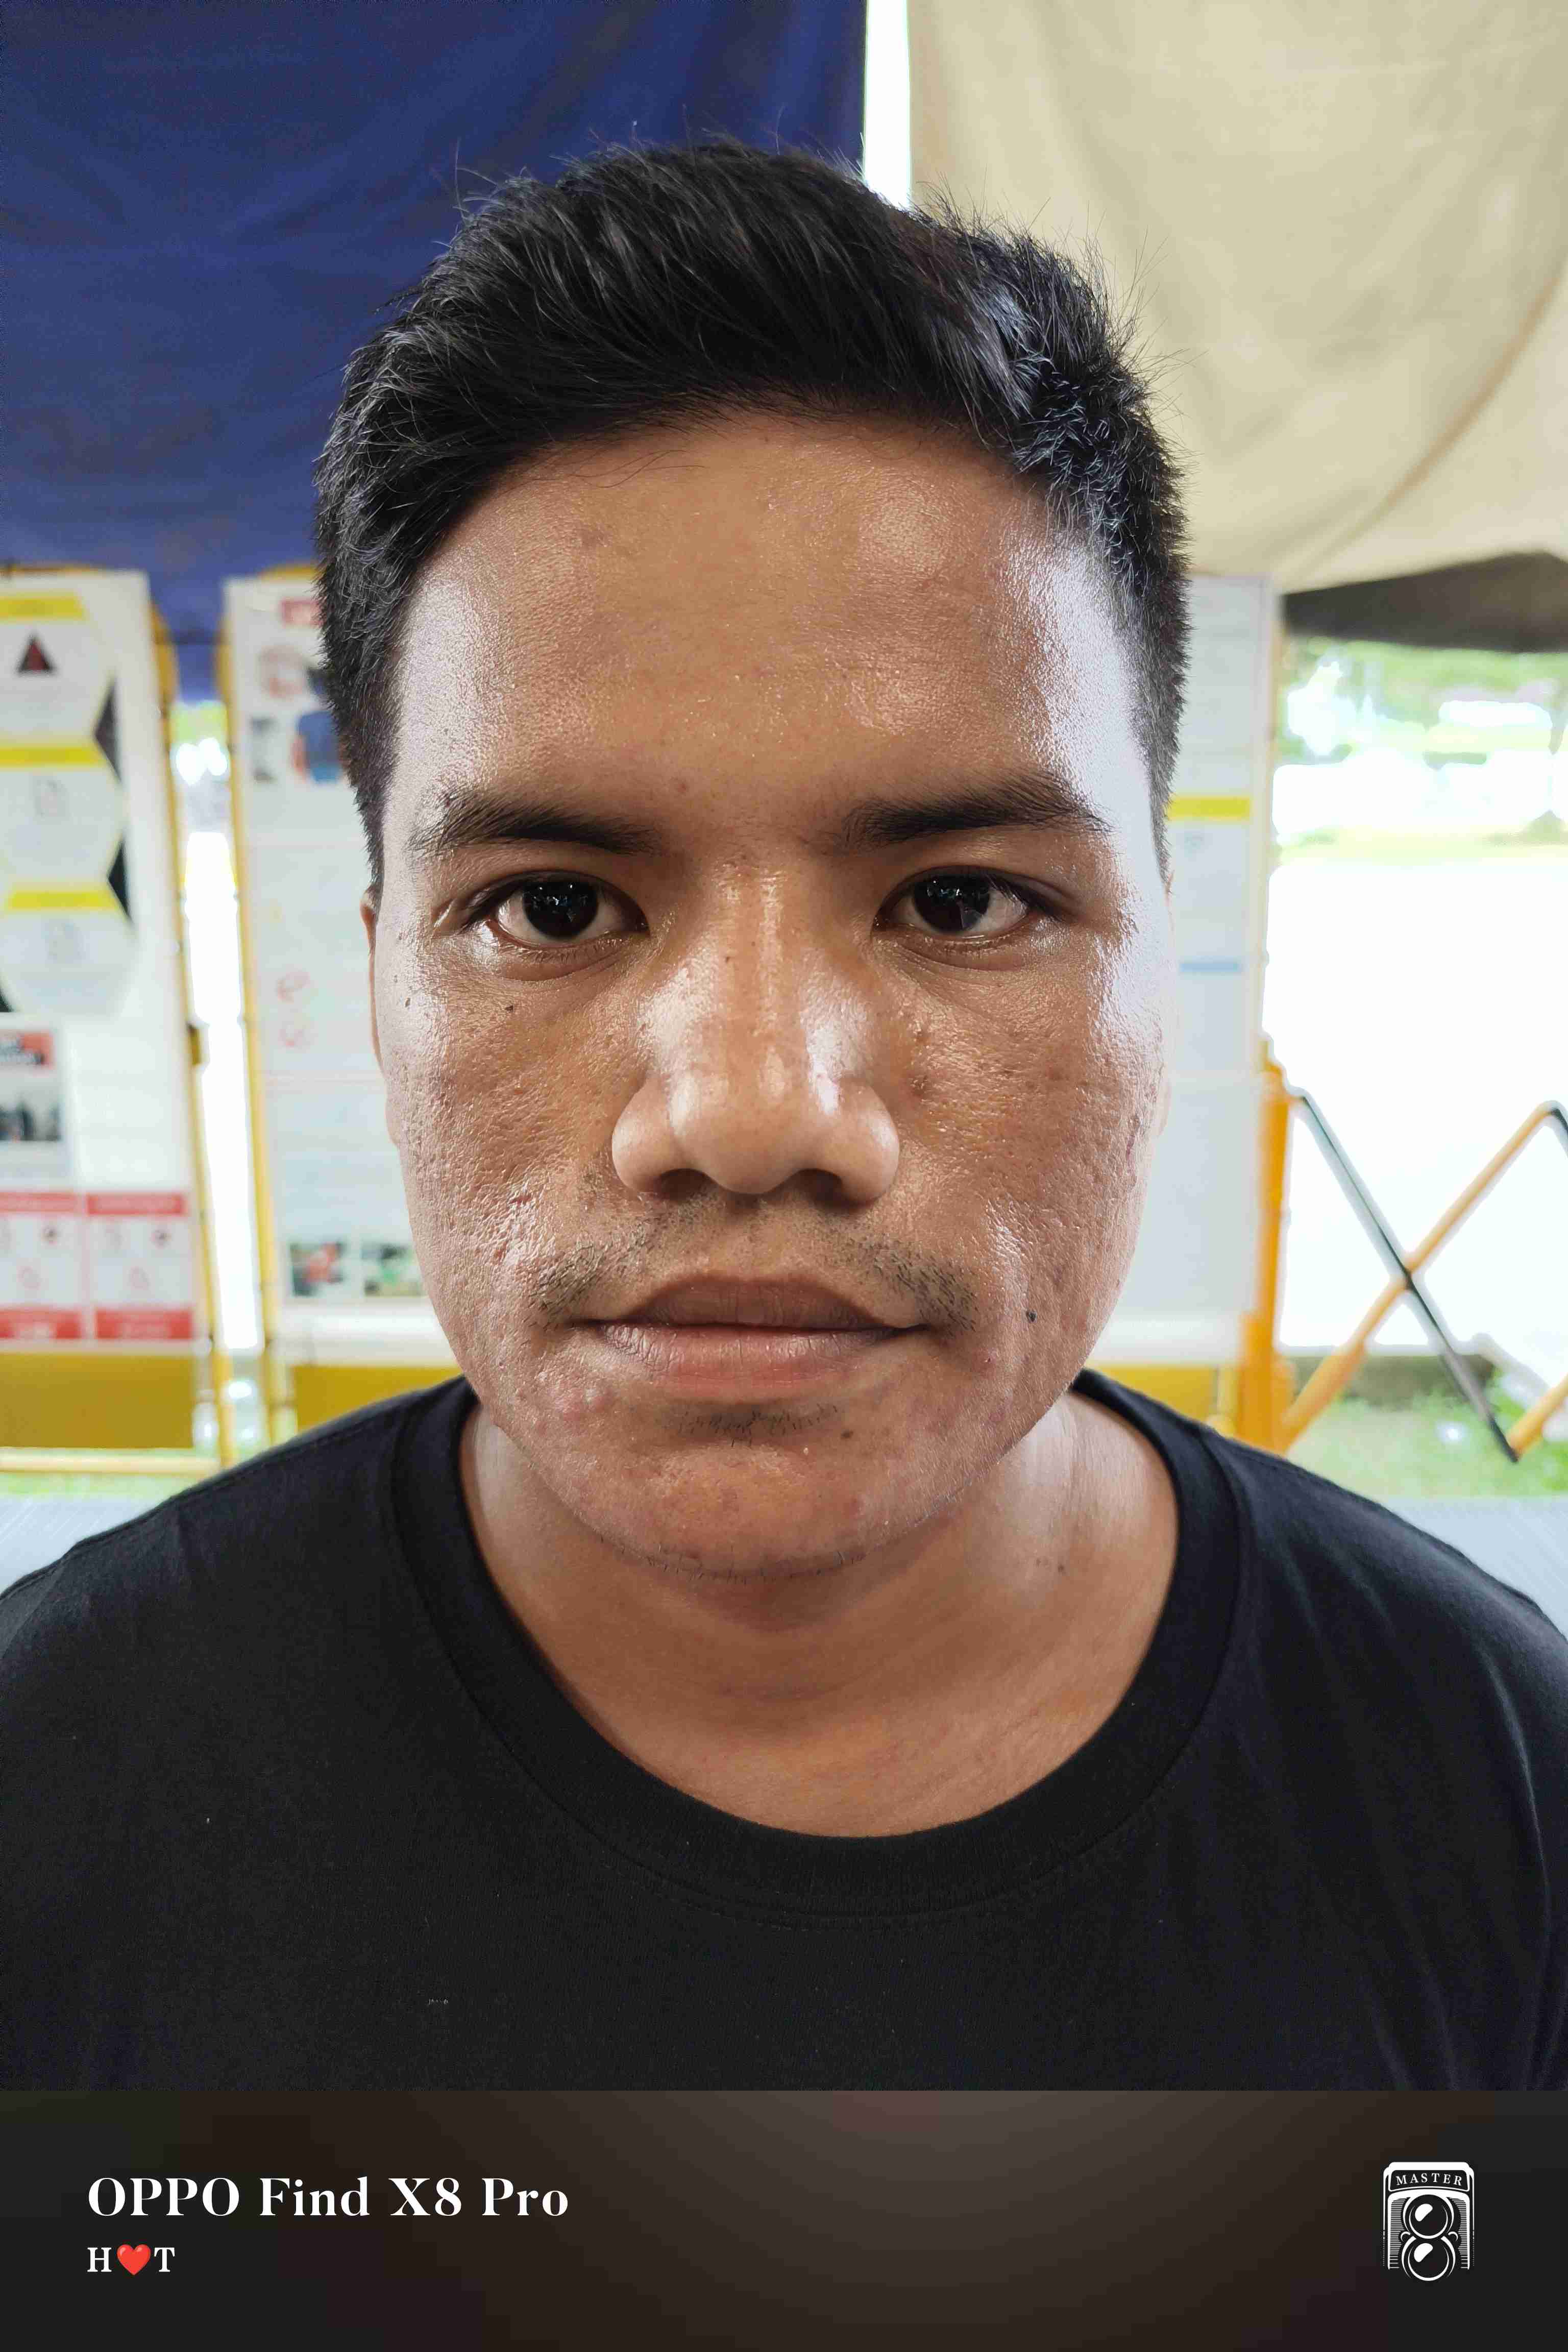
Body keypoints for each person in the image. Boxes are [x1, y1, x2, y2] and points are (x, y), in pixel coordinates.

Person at [4, 138, 1564, 2092]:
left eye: (961, 901)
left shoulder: (1497, 1799)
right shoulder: (54, 1791)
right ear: (381, 964)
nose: (749, 1115)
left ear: (1165, 955)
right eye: (551, 907)